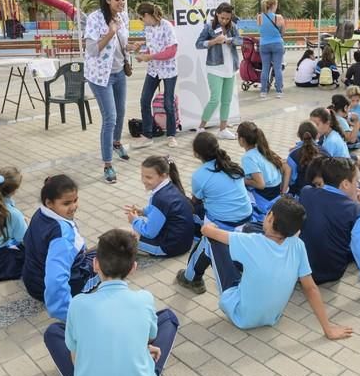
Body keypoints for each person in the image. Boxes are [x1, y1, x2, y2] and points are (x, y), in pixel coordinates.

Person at [43, 229, 179, 376]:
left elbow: (74, 356)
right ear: (133, 268)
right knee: (168, 317)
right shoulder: (144, 299)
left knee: (53, 331)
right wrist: (142, 348)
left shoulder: (79, 304)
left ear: (95, 264)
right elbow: (149, 336)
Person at [196, 197, 352, 338]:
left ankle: (191, 278)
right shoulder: (298, 245)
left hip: (241, 316)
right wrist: (328, 329)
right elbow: (311, 289)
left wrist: (211, 227)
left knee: (210, 240)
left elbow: (206, 231)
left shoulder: (251, 241)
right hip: (272, 318)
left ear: (270, 218)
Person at [299, 158, 360, 292]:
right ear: (345, 184)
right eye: (356, 181)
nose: (358, 186)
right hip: (330, 272)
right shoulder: (354, 210)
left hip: (302, 268)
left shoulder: (306, 192)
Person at [176, 133, 252, 294]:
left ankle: (191, 278)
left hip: (223, 222)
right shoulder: (231, 165)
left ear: (196, 153)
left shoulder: (200, 175)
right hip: (246, 217)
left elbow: (196, 200)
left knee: (205, 245)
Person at [23, 175, 99, 321]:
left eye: (75, 200)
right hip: (65, 286)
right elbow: (55, 280)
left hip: (32, 281)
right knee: (114, 251)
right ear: (49, 203)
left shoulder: (40, 213)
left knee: (101, 246)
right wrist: (66, 313)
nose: (74, 207)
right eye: (66, 203)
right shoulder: (62, 236)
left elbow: (27, 241)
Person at [84, 0, 131, 184]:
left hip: (119, 72)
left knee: (120, 112)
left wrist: (132, 46)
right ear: (107, 0)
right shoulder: (94, 19)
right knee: (110, 118)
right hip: (100, 76)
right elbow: (93, 50)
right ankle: (107, 164)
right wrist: (110, 33)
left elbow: (122, 45)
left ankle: (116, 142)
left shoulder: (124, 17)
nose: (121, 2)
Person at [124, 156, 194, 257]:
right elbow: (162, 211)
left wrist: (134, 220)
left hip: (169, 247)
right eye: (142, 176)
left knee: (119, 236)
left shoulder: (161, 198)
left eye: (148, 177)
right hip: (183, 243)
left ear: (163, 176)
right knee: (129, 231)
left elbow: (149, 232)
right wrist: (143, 211)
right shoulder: (170, 187)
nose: (143, 180)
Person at [132, 2, 179, 149]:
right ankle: (147, 135)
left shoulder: (167, 26)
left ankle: (171, 135)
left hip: (169, 70)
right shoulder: (148, 29)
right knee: (144, 100)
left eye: (141, 18)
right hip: (153, 70)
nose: (141, 21)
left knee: (168, 104)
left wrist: (150, 57)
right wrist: (142, 54)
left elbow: (171, 51)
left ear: (147, 15)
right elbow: (152, 50)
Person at [195, 3, 242, 140]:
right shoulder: (209, 27)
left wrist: (229, 40)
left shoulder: (233, 26)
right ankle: (201, 127)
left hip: (230, 68)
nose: (225, 21)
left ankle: (223, 129)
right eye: (222, 18)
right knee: (215, 100)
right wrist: (214, 41)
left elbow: (240, 41)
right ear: (217, 14)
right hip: (214, 68)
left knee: (226, 100)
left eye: (227, 18)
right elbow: (198, 44)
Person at [237, 122, 290, 221]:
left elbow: (261, 184)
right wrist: (283, 192)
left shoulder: (248, 157)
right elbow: (287, 169)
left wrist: (243, 180)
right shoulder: (264, 149)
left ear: (241, 139)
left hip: (265, 198)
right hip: (276, 194)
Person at [286, 121, 329, 197]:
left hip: (299, 195)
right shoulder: (325, 152)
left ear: (298, 134)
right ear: (317, 135)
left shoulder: (293, 155)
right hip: (321, 193)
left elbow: (291, 179)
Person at [256, 0, 285, 98]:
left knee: (265, 68)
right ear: (273, 5)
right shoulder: (279, 17)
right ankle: (279, 91)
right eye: (276, 5)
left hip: (264, 44)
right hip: (277, 44)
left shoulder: (259, 17)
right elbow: (282, 32)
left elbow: (261, 30)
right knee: (277, 68)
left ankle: (263, 91)